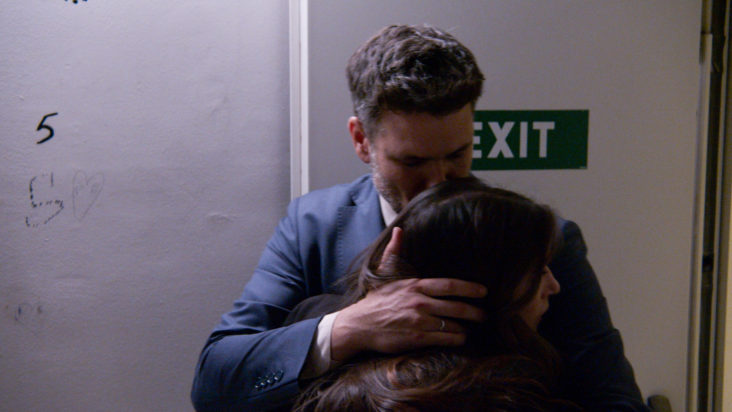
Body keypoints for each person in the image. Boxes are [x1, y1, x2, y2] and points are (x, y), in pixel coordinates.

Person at [191, 24, 648, 411]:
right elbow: (214, 384)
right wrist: (350, 328)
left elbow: (615, 401)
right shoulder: (313, 226)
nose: (438, 183)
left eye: (457, 155)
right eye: (412, 162)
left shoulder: (545, 242)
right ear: (361, 140)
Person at [291, 178, 580, 412]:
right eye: (539, 270)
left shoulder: (341, 386)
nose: (554, 286)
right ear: (484, 282)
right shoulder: (508, 398)